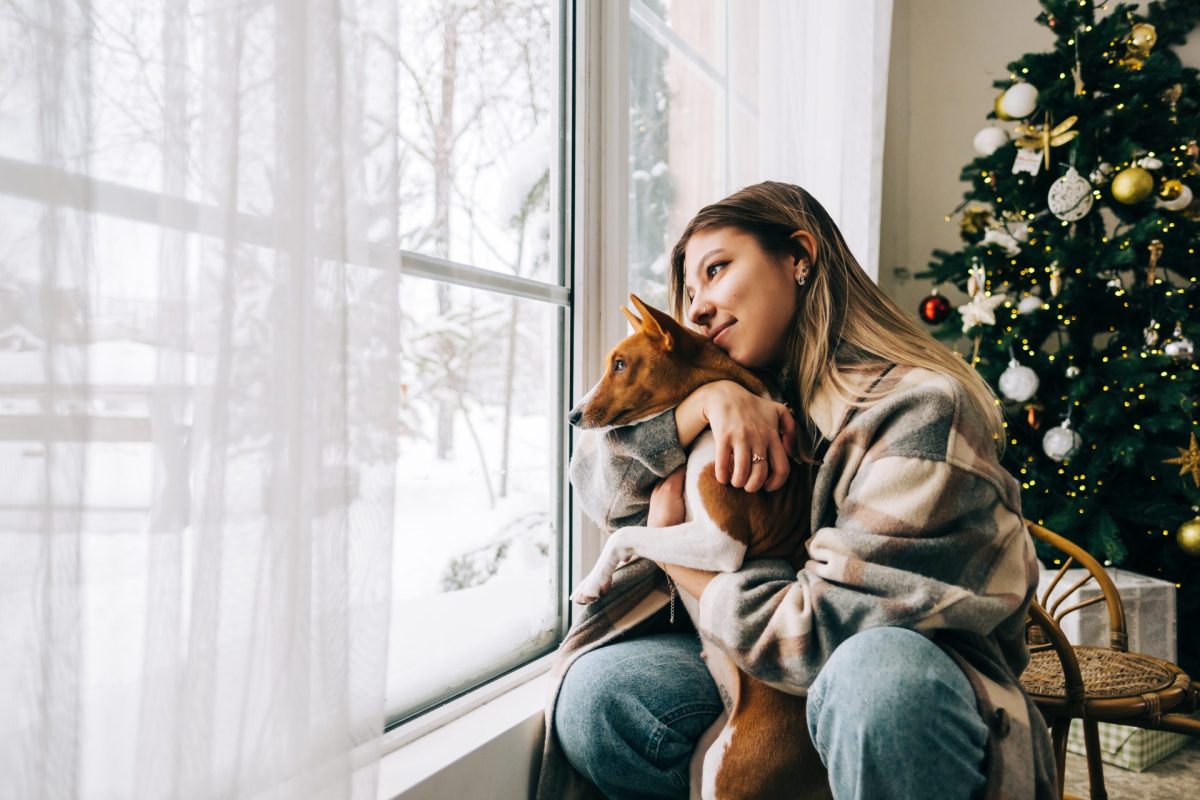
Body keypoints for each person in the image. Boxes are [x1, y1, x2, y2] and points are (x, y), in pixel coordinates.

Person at [532, 182, 1057, 800]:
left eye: (717, 269)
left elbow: (827, 636)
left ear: (799, 257)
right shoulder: (744, 395)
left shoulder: (919, 408)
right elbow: (598, 487)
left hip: (903, 689)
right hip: (766, 668)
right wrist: (702, 405)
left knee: (875, 678)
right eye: (690, 290)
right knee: (600, 693)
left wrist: (669, 548)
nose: (696, 308)